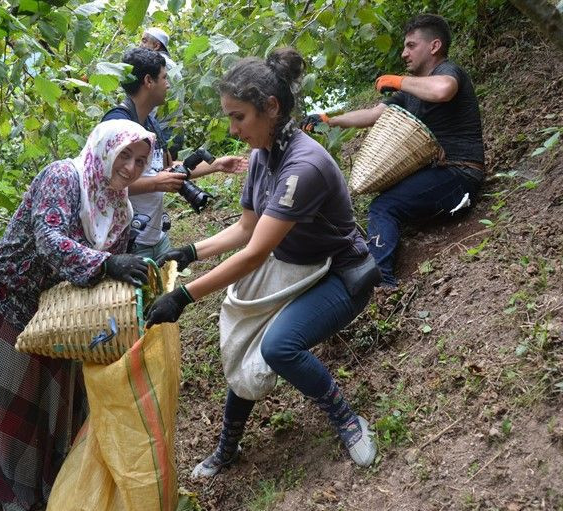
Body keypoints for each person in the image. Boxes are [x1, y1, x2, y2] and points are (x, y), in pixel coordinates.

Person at [145, 48, 380, 478]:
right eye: (230, 118)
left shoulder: (302, 166)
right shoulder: (262, 155)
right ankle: (228, 445)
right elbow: (246, 229)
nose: (233, 130)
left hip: (339, 274)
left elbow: (254, 253)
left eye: (239, 117)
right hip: (295, 267)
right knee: (243, 343)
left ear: (271, 108)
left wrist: (184, 296)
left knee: (276, 346)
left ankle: (346, 418)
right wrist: (191, 251)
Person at [0, 120, 156, 511]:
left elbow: (111, 263)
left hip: (62, 317)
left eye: (140, 161)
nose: (131, 169)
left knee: (53, 402)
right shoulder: (64, 178)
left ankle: (48, 482)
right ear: (105, 149)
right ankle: (11, 498)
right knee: (9, 403)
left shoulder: (120, 207)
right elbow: (49, 238)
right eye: (125, 156)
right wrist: (107, 262)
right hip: (11, 302)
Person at [301, 13, 484, 288]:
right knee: (387, 200)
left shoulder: (447, 72)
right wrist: (330, 120)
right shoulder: (411, 92)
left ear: (434, 46)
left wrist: (398, 81)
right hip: (441, 172)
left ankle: (381, 281)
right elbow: (374, 114)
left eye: (411, 45)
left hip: (460, 174)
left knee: (383, 207)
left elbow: (443, 90)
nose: (404, 53)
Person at [102, 47, 247, 260]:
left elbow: (165, 170)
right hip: (126, 242)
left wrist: (216, 165)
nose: (168, 84)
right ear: (148, 81)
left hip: (156, 236)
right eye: (164, 77)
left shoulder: (151, 123)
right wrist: (156, 183)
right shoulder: (116, 125)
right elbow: (103, 183)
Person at [140, 27, 184, 158]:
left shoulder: (158, 65)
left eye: (144, 41)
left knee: (158, 175)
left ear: (156, 45)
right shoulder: (172, 65)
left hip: (162, 130)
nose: (140, 45)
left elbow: (151, 101)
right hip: (175, 129)